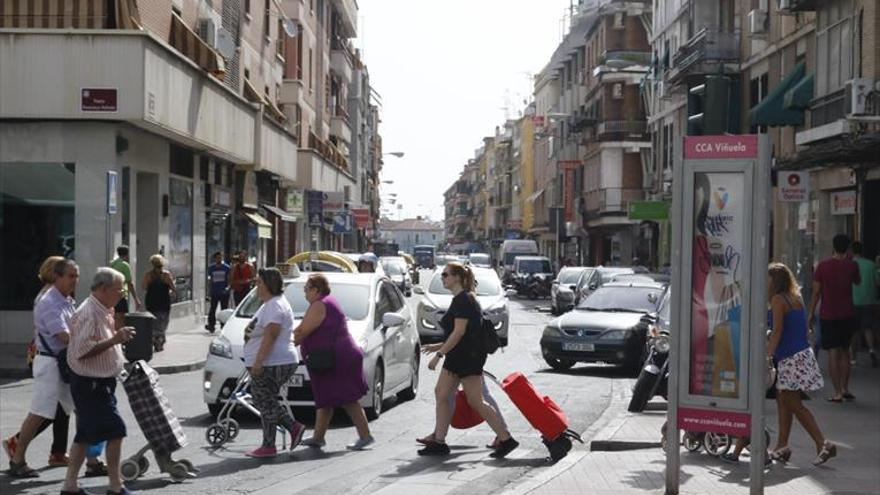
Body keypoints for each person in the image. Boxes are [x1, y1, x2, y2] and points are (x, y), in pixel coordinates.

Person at [418, 262, 518, 458]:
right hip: (463, 356)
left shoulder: (463, 300)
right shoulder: (463, 299)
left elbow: (459, 332)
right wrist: (438, 346)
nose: (443, 278)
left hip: (465, 358)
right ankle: (439, 440)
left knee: (474, 401)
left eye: (446, 275)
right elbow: (461, 334)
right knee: (443, 394)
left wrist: (438, 356)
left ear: (457, 278)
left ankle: (506, 438)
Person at [61, 267, 137, 495]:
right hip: (90, 383)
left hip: (98, 382)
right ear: (104, 289)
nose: (122, 293)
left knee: (84, 435)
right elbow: (82, 350)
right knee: (116, 430)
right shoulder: (89, 312)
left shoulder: (103, 308)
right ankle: (115, 485)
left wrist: (115, 340)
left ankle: (70, 487)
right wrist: (115, 339)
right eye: (119, 289)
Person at [7, 258, 78, 478]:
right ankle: (17, 459)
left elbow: (74, 325)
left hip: (62, 362)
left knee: (70, 409)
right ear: (57, 276)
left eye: (76, 276)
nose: (75, 280)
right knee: (39, 413)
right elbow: (64, 335)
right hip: (50, 363)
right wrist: (92, 340)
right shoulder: (49, 301)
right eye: (71, 276)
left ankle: (73, 456)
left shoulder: (65, 299)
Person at [293, 273, 374, 450]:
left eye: (306, 289)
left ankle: (365, 436)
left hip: (338, 358)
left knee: (348, 398)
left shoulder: (320, 304)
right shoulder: (325, 301)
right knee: (325, 398)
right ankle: (318, 437)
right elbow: (303, 328)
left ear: (316, 290)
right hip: (333, 357)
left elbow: (303, 331)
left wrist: (285, 341)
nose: (304, 293)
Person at [767, 262, 836, 466]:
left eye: (768, 278)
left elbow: (778, 330)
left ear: (775, 280)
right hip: (802, 355)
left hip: (789, 356)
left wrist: (768, 355)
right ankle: (782, 446)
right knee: (783, 400)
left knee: (792, 403)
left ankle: (823, 443)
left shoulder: (778, 299)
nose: (766, 282)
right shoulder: (796, 298)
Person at [242, 268, 306, 458]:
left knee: (263, 399)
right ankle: (268, 445)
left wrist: (258, 363)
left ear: (269, 284)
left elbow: (271, 335)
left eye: (259, 282)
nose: (256, 286)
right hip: (272, 361)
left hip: (273, 362)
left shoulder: (275, 306)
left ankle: (293, 427)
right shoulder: (269, 304)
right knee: (266, 400)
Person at [808, 234, 860, 402]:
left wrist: (810, 314)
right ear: (848, 248)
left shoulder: (822, 267)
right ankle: (845, 388)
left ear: (833, 246)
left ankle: (837, 392)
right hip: (848, 313)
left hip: (828, 314)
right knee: (846, 351)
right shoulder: (852, 266)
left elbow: (816, 292)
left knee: (832, 352)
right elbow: (857, 281)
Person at [850, 242, 878, 367]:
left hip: (853, 301)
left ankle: (853, 358)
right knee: (868, 328)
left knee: (854, 330)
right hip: (870, 301)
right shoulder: (871, 265)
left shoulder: (849, 265)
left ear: (851, 251)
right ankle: (871, 350)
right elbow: (878, 282)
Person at [143, 254, 176, 352]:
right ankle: (160, 340)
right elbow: (173, 288)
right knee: (163, 322)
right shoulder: (166, 275)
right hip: (164, 302)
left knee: (153, 322)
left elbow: (144, 287)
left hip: (151, 302)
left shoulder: (148, 275)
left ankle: (154, 339)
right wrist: (170, 292)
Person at [109, 245, 141, 331]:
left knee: (114, 318)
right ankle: (119, 340)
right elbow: (130, 283)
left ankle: (113, 336)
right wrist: (136, 299)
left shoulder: (112, 264)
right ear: (127, 254)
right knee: (121, 318)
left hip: (111, 295)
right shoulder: (125, 265)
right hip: (121, 295)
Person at [205, 251, 230, 333]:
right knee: (212, 309)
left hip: (223, 292)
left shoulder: (226, 267)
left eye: (220, 257)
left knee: (224, 309)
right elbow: (210, 280)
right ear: (215, 259)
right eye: (217, 258)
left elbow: (229, 279)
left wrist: (227, 288)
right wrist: (209, 291)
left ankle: (224, 325)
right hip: (214, 292)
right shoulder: (211, 268)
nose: (219, 259)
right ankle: (211, 325)